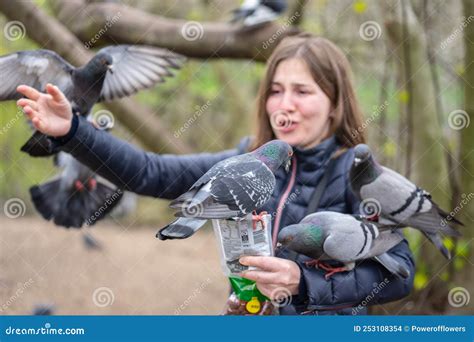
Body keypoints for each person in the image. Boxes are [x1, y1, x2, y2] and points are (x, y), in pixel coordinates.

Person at [16, 33, 414, 315]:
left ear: (334, 104)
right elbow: (149, 172)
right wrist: (72, 130)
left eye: (302, 91)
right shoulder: (243, 161)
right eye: (275, 90)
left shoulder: (360, 176)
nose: (284, 104)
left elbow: (400, 272)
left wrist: (302, 283)